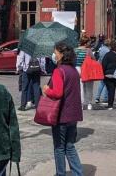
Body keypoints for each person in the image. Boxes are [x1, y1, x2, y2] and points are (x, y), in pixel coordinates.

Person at [42, 42, 83, 176]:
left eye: (55, 53)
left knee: (59, 148)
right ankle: (78, 173)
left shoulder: (59, 71)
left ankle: (60, 174)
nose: (54, 55)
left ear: (61, 55)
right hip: (73, 114)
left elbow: (58, 93)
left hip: (61, 115)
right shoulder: (74, 71)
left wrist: (47, 90)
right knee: (70, 146)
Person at [101, 38, 116, 110]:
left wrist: (103, 73)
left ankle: (110, 105)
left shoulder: (107, 55)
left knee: (111, 90)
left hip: (109, 75)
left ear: (111, 47)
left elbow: (103, 65)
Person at [75, 35, 96, 110]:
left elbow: (74, 60)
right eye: (88, 42)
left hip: (77, 69)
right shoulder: (88, 50)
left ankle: (81, 104)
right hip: (87, 69)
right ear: (86, 43)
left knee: (80, 88)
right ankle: (89, 104)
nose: (89, 43)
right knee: (89, 87)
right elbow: (94, 59)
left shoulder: (75, 50)